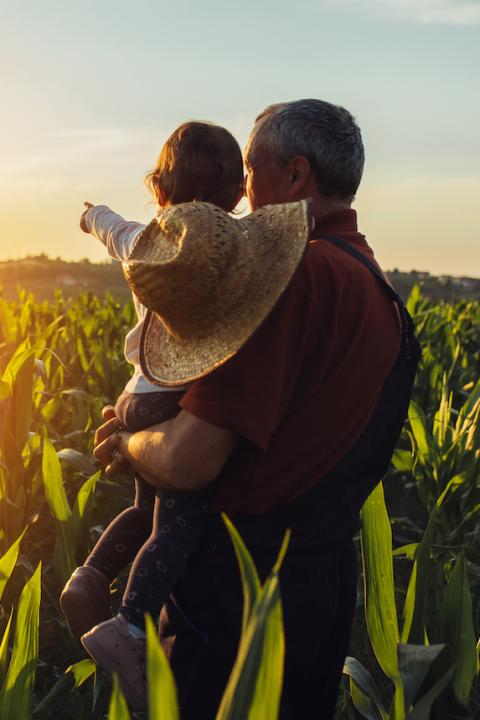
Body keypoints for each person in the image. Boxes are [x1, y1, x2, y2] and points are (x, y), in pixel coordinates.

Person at [93, 99, 421, 719]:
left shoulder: (292, 277)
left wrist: (129, 444)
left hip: (238, 594)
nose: (241, 191)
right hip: (318, 588)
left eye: (251, 170)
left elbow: (189, 461)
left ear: (295, 177)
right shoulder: (376, 287)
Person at [60, 122, 245, 710]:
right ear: (239, 198)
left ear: (159, 191)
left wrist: (93, 216)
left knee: (143, 511)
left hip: (138, 391)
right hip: (177, 396)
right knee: (176, 524)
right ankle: (130, 623)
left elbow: (111, 228)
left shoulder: (142, 242)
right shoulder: (229, 258)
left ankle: (88, 577)